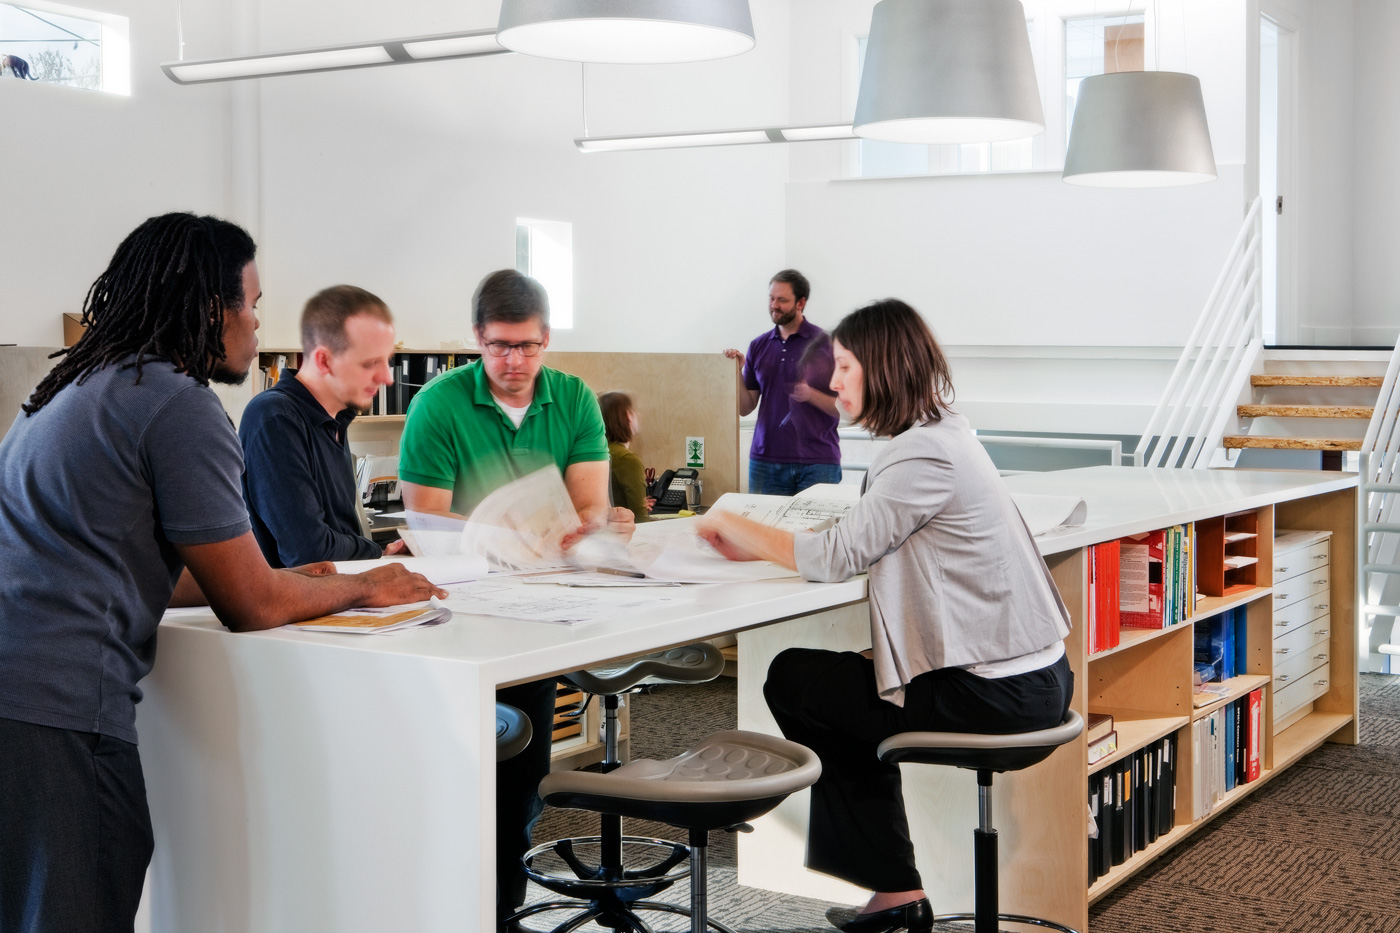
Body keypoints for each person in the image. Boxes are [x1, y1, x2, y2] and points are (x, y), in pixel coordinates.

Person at [0, 213, 445, 933]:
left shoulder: (68, 386)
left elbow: (136, 565)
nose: (257, 326)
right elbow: (250, 604)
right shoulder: (177, 402)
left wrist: (294, 575)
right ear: (214, 310)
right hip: (62, 717)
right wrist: (363, 582)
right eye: (254, 305)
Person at [699, 299, 1072, 933]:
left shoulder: (920, 454)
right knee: (843, 685)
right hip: (1030, 679)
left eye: (844, 367)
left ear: (883, 368)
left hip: (1001, 694)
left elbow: (837, 556)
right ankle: (893, 887)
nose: (832, 381)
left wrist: (732, 520)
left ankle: (895, 889)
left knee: (796, 679)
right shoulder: (944, 432)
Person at [397, 268, 634, 930]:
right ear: (477, 338)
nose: (515, 362)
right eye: (501, 346)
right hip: (457, 616)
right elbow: (430, 528)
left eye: (529, 346)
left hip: (539, 614)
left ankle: (502, 908)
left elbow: (590, 507)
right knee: (454, 769)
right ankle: (454, 905)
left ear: (546, 338)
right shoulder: (438, 404)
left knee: (522, 774)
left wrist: (599, 526)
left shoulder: (574, 398)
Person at [241, 284, 406, 567]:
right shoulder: (276, 418)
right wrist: (376, 555)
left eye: (387, 361)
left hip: (340, 597)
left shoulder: (335, 421)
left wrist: (381, 557)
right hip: (299, 604)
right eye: (370, 363)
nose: (387, 378)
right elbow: (309, 552)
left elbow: (335, 538)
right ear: (324, 360)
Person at [724, 269, 842, 496]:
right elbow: (745, 408)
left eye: (782, 300)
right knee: (761, 531)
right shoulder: (758, 345)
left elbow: (845, 408)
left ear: (801, 303)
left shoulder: (825, 344)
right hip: (765, 461)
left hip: (818, 462)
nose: (774, 305)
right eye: (771, 298)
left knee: (815, 532)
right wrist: (736, 371)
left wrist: (810, 394)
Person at [598, 390, 653, 523]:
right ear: (628, 416)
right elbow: (641, 521)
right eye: (633, 411)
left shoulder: (597, 453)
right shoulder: (628, 461)